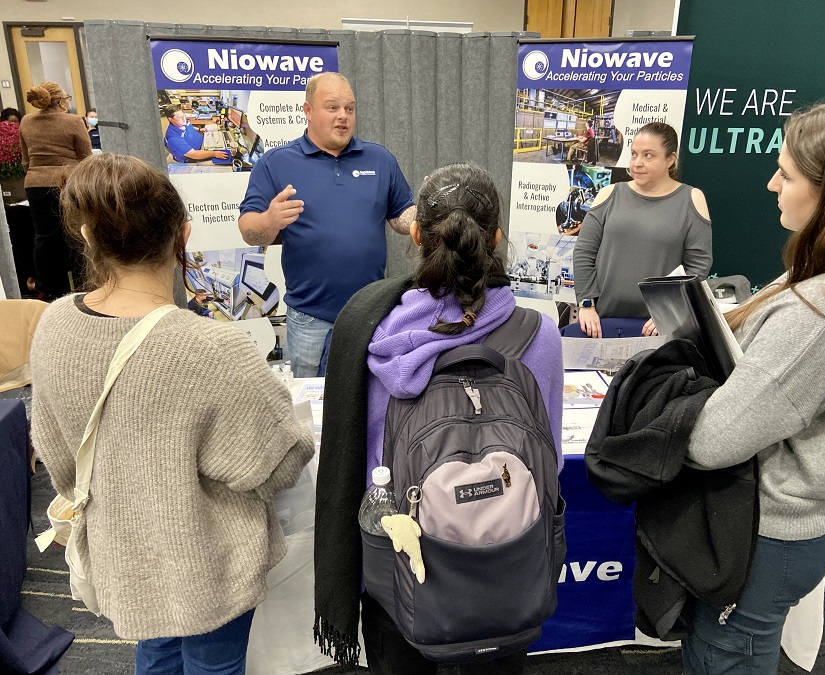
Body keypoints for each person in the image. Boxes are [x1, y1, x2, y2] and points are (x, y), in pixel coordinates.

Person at [29, 153, 315, 675]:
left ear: (88, 237)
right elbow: (279, 462)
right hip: (209, 565)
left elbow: (56, 456)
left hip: (124, 555)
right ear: (183, 236)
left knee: (156, 653)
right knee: (213, 665)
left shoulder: (53, 326)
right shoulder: (211, 350)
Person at [313, 163, 564, 674]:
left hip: (400, 570)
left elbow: (353, 462)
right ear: (496, 238)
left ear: (415, 234)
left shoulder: (370, 327)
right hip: (507, 567)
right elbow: (550, 464)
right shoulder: (539, 334)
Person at [682, 93, 825, 674]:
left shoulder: (823, 312)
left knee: (725, 656)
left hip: (768, 534)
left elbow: (713, 441)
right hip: (795, 526)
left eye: (786, 173)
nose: (772, 184)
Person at [239, 72, 416, 377]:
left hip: (371, 314)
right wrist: (269, 221)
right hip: (310, 319)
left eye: (350, 108)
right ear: (308, 111)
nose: (343, 117)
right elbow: (248, 228)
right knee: (313, 412)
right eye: (332, 108)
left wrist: (421, 223)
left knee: (368, 403)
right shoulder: (276, 163)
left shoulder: (379, 159)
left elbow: (401, 214)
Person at [572, 121, 712, 338]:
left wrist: (671, 312)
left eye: (648, 155)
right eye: (634, 154)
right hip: (603, 322)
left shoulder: (691, 199)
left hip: (657, 328)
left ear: (670, 159)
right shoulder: (609, 195)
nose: (637, 163)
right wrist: (586, 304)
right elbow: (584, 252)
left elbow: (697, 267)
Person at [19, 81, 92, 301]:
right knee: (76, 235)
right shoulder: (73, 121)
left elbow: (25, 160)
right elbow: (86, 157)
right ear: (61, 101)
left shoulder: (26, 121)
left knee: (44, 238)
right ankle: (83, 286)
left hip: (35, 184)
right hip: (67, 184)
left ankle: (47, 288)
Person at [162, 104, 229, 163]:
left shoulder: (182, 122)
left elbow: (189, 125)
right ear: (170, 120)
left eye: (184, 116)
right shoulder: (173, 138)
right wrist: (214, 154)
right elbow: (193, 154)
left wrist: (199, 129)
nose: (184, 119)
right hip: (195, 156)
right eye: (180, 118)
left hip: (203, 143)